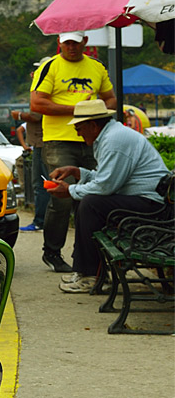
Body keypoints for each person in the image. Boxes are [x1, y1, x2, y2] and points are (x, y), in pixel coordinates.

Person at [45, 99, 167, 293]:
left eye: (79, 127)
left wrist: (69, 190)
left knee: (91, 203)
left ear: (93, 125)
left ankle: (90, 274)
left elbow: (105, 186)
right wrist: (78, 172)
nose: (77, 132)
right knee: (89, 202)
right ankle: (85, 270)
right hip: (144, 199)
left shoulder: (114, 140)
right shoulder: (110, 135)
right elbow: (107, 178)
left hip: (151, 203)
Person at [29, 31, 116, 273]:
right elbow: (37, 104)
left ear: (85, 42)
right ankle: (53, 252)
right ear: (59, 43)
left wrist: (96, 113)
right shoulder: (50, 67)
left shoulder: (97, 67)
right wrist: (78, 110)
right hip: (59, 140)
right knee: (62, 194)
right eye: (66, 43)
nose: (71, 47)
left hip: (91, 139)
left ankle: (86, 254)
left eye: (76, 43)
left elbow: (111, 99)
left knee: (90, 197)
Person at [12, 58, 51, 231]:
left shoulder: (44, 88)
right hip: (40, 142)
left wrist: (20, 115)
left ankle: (40, 221)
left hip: (42, 143)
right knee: (45, 183)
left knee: (41, 184)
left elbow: (37, 116)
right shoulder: (43, 87)